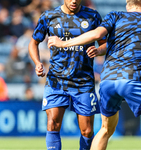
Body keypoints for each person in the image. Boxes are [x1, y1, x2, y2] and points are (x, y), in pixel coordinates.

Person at [47, 0, 141, 150]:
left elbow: (97, 35)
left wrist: (64, 43)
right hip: (132, 79)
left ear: (128, 5)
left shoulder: (115, 16)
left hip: (107, 81)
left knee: (105, 129)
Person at [28, 0, 106, 150]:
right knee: (52, 124)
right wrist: (37, 62)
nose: (74, 1)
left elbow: (105, 44)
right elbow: (33, 43)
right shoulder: (49, 16)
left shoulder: (92, 16)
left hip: (83, 82)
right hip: (56, 81)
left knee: (87, 131)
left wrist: (99, 50)